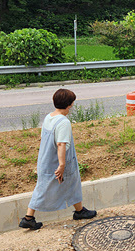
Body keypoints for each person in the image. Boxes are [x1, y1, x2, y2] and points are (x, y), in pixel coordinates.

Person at [20, 88, 96, 230]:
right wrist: (61, 165)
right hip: (58, 161)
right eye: (72, 103)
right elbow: (61, 144)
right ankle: (28, 218)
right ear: (68, 105)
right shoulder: (63, 122)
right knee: (47, 188)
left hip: (45, 159)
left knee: (65, 184)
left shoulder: (49, 117)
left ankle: (79, 211)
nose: (72, 106)